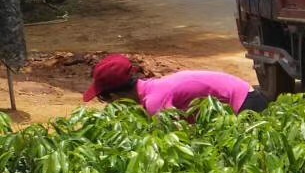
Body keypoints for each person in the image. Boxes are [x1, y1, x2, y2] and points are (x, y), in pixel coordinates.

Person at [83, 55, 269, 113]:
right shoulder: (152, 87)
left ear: (115, 97)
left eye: (108, 102)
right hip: (248, 95)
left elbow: (174, 141)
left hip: (247, 105)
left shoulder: (154, 101)